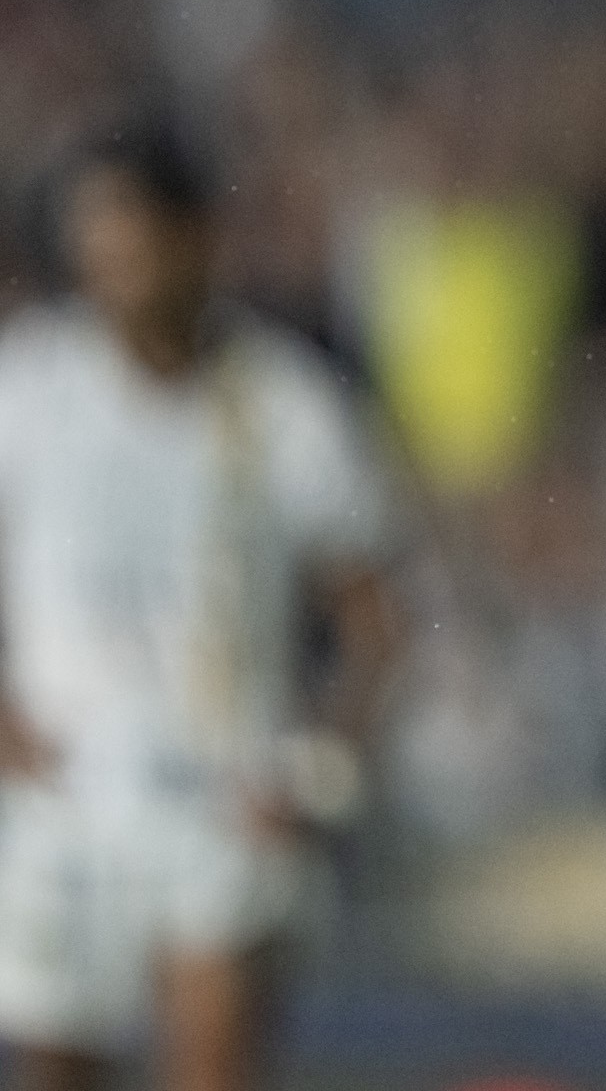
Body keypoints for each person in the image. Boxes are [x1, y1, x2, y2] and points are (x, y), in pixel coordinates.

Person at [0, 127, 399, 1091]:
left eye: (134, 240)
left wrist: (316, 775)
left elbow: (372, 624)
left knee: (212, 1064)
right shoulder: (31, 388)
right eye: (98, 244)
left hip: (218, 793)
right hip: (66, 789)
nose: (114, 268)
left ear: (194, 240)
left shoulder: (279, 403)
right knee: (58, 1070)